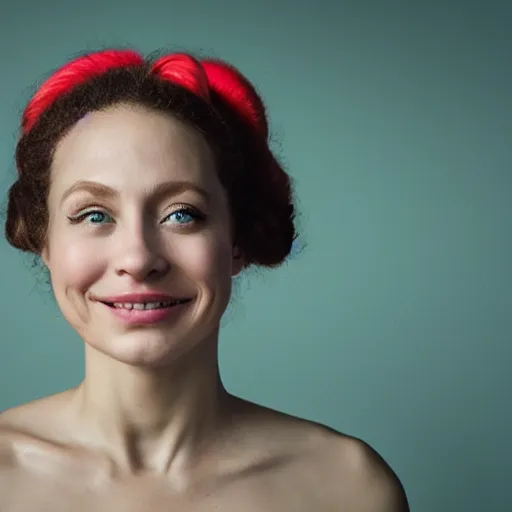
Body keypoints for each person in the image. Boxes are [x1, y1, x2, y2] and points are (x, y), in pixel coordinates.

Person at [0, 48, 409, 511]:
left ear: (237, 239)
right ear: (43, 241)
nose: (138, 258)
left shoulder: (348, 488)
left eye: (182, 214)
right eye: (94, 214)